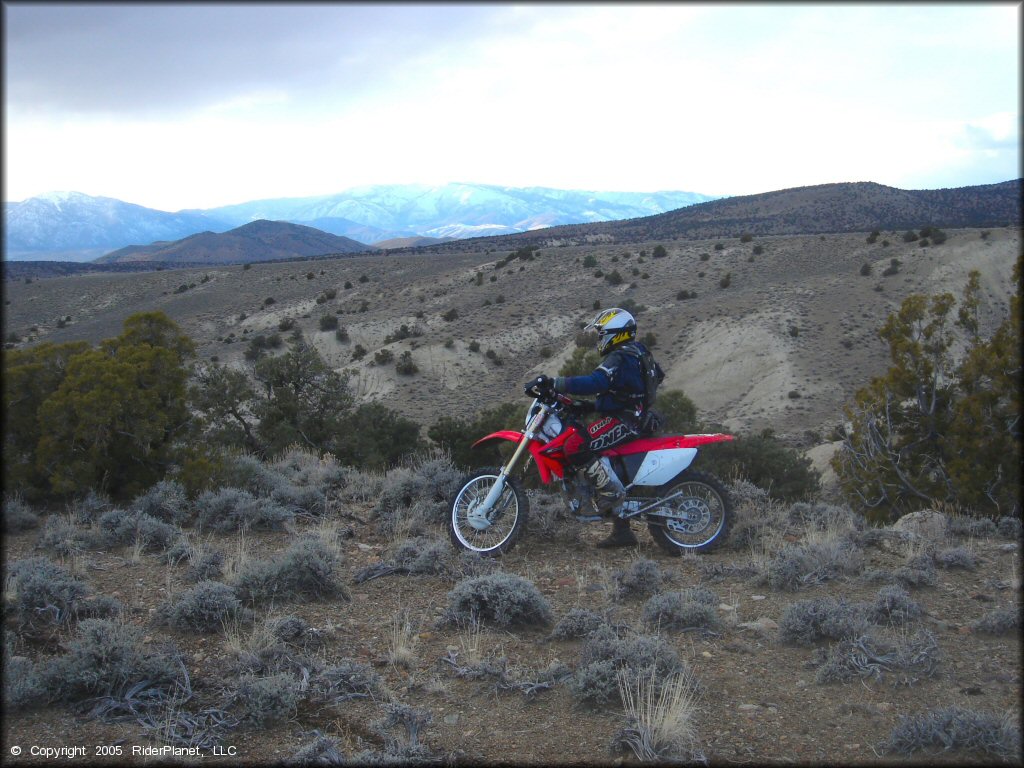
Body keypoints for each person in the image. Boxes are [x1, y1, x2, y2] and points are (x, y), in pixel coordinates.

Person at [529, 307, 664, 548]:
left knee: (574, 445)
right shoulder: (639, 351)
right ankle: (622, 532)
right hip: (635, 415)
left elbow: (597, 381)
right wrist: (597, 405)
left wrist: (556, 383)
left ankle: (612, 494)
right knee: (603, 457)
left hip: (625, 421)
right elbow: (651, 378)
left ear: (616, 333)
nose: (600, 339)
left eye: (603, 334)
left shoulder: (620, 357)